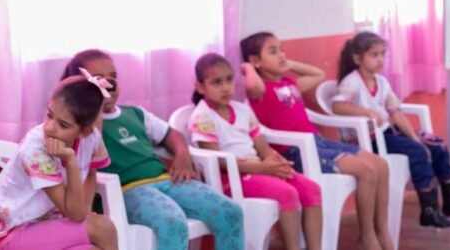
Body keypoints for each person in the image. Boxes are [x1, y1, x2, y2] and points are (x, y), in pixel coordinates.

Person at [62, 49, 244, 250]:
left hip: (167, 180)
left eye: (113, 77)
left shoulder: (135, 114)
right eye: (99, 79)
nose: (110, 84)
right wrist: (92, 105)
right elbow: (88, 154)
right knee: (172, 223)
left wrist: (182, 156)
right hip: (129, 190)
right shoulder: (82, 125)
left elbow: (173, 135)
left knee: (231, 212)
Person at [240, 32, 394, 250]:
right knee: (367, 170)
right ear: (255, 61)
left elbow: (318, 74)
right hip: (297, 151)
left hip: (319, 142)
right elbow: (253, 86)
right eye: (273, 52)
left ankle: (381, 229)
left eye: (281, 49)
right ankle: (367, 236)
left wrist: (288, 63)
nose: (281, 55)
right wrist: (247, 67)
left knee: (381, 165)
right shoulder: (261, 90)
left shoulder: (289, 82)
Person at [332, 31, 450, 228]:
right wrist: (366, 112)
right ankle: (429, 211)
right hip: (368, 140)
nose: (380, 60)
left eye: (383, 54)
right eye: (374, 55)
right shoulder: (351, 82)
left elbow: (396, 113)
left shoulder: (382, 82)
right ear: (358, 58)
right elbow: (338, 107)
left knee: (437, 146)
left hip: (386, 133)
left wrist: (414, 137)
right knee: (417, 152)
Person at [187, 53, 323, 250]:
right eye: (216, 82)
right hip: (231, 179)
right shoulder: (202, 116)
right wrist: (263, 168)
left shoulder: (242, 110)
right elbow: (218, 161)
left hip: (258, 169)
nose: (225, 87)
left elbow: (262, 146)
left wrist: (275, 163)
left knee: (311, 188)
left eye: (229, 79)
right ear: (200, 87)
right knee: (287, 193)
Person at [0, 73, 118, 250]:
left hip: (53, 227)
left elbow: (91, 174)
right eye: (49, 115)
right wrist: (70, 161)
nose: (49, 127)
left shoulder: (92, 138)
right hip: (12, 233)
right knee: (103, 228)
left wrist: (86, 207)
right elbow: (74, 214)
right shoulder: (35, 149)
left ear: (84, 131)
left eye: (63, 125)